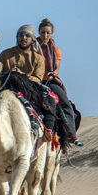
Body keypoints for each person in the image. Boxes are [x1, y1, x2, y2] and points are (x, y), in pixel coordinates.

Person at [38, 18, 82, 146]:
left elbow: (57, 69)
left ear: (51, 34)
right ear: (39, 32)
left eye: (47, 33)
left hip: (50, 81)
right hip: (36, 81)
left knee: (65, 103)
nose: (44, 35)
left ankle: (71, 135)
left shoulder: (55, 50)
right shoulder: (33, 48)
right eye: (42, 32)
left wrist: (52, 74)